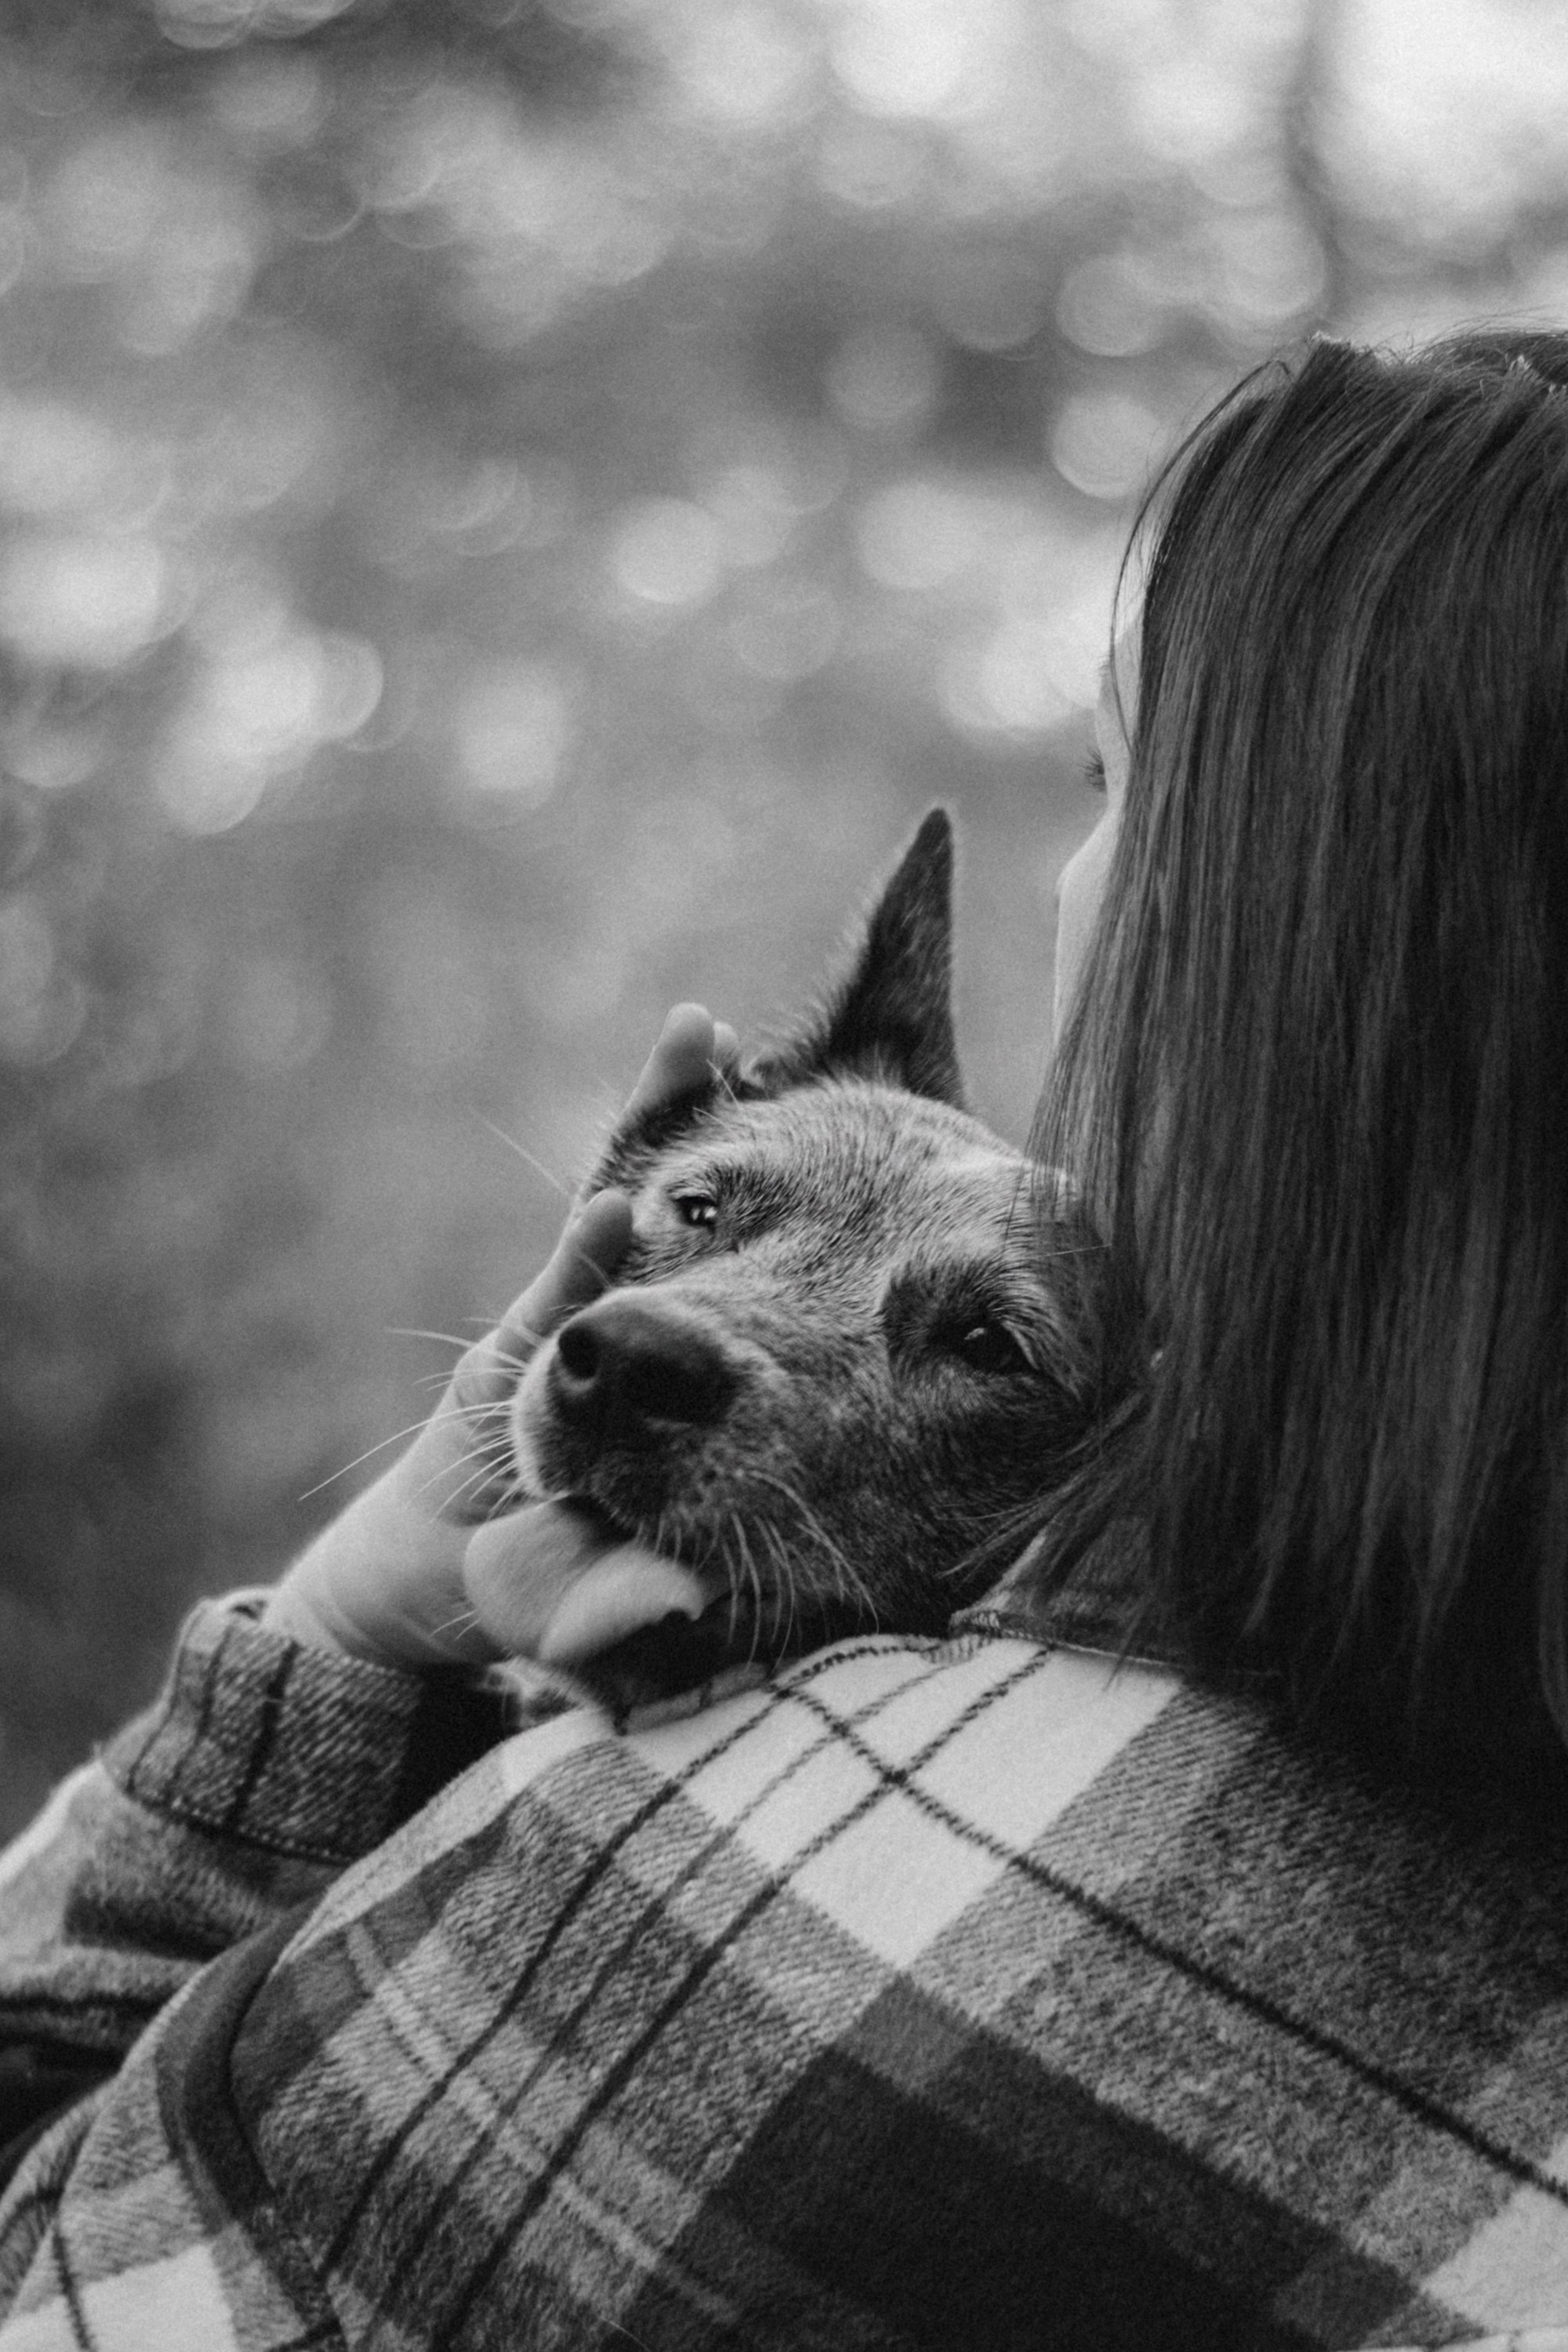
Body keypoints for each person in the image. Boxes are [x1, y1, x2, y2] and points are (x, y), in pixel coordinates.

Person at [4, 330, 1568, 2350]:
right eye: (710, 1216)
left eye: (1131, 783)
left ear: (1315, 928)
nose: (674, 1330)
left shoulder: (770, 1879)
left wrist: (316, 1653)